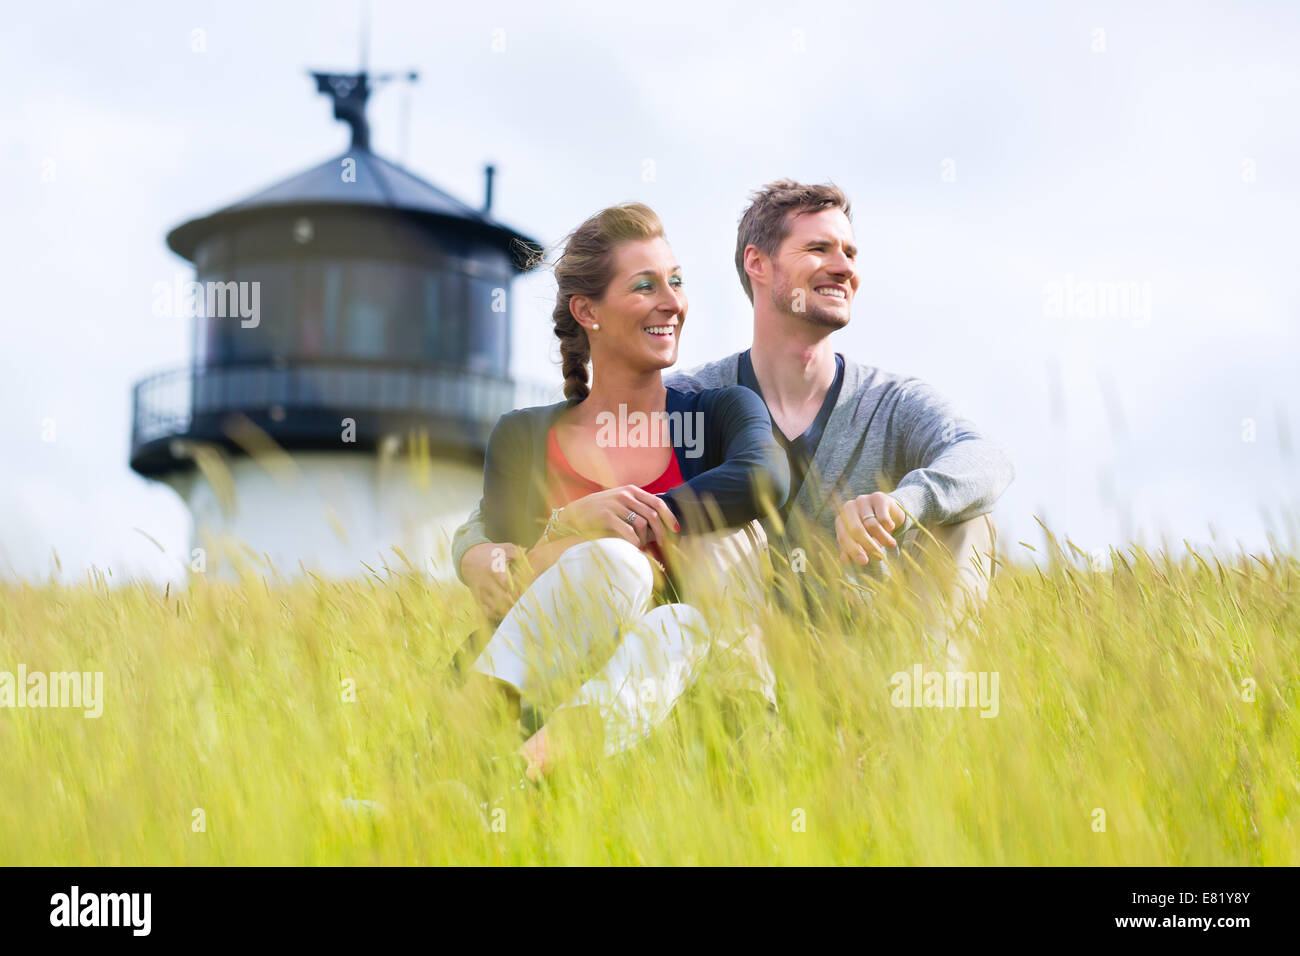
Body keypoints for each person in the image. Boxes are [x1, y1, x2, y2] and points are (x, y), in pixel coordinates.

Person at [455, 180, 1016, 664]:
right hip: (726, 647)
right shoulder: (689, 399)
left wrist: (905, 502)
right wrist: (474, 551)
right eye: (819, 248)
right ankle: (747, 723)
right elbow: (505, 512)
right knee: (707, 527)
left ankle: (924, 734)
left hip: (866, 659)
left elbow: (986, 458)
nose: (845, 267)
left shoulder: (889, 404)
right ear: (759, 264)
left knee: (971, 518)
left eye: (849, 251)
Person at [457, 202, 789, 782]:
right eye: (645, 286)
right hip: (528, 684)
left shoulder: (720, 413)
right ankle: (465, 747)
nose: (672, 302)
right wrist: (574, 524)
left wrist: (642, 520)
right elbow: (504, 586)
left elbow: (766, 477)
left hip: (665, 685)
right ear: (588, 311)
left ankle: (514, 780)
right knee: (618, 568)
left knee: (678, 623)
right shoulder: (523, 436)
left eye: (676, 282)